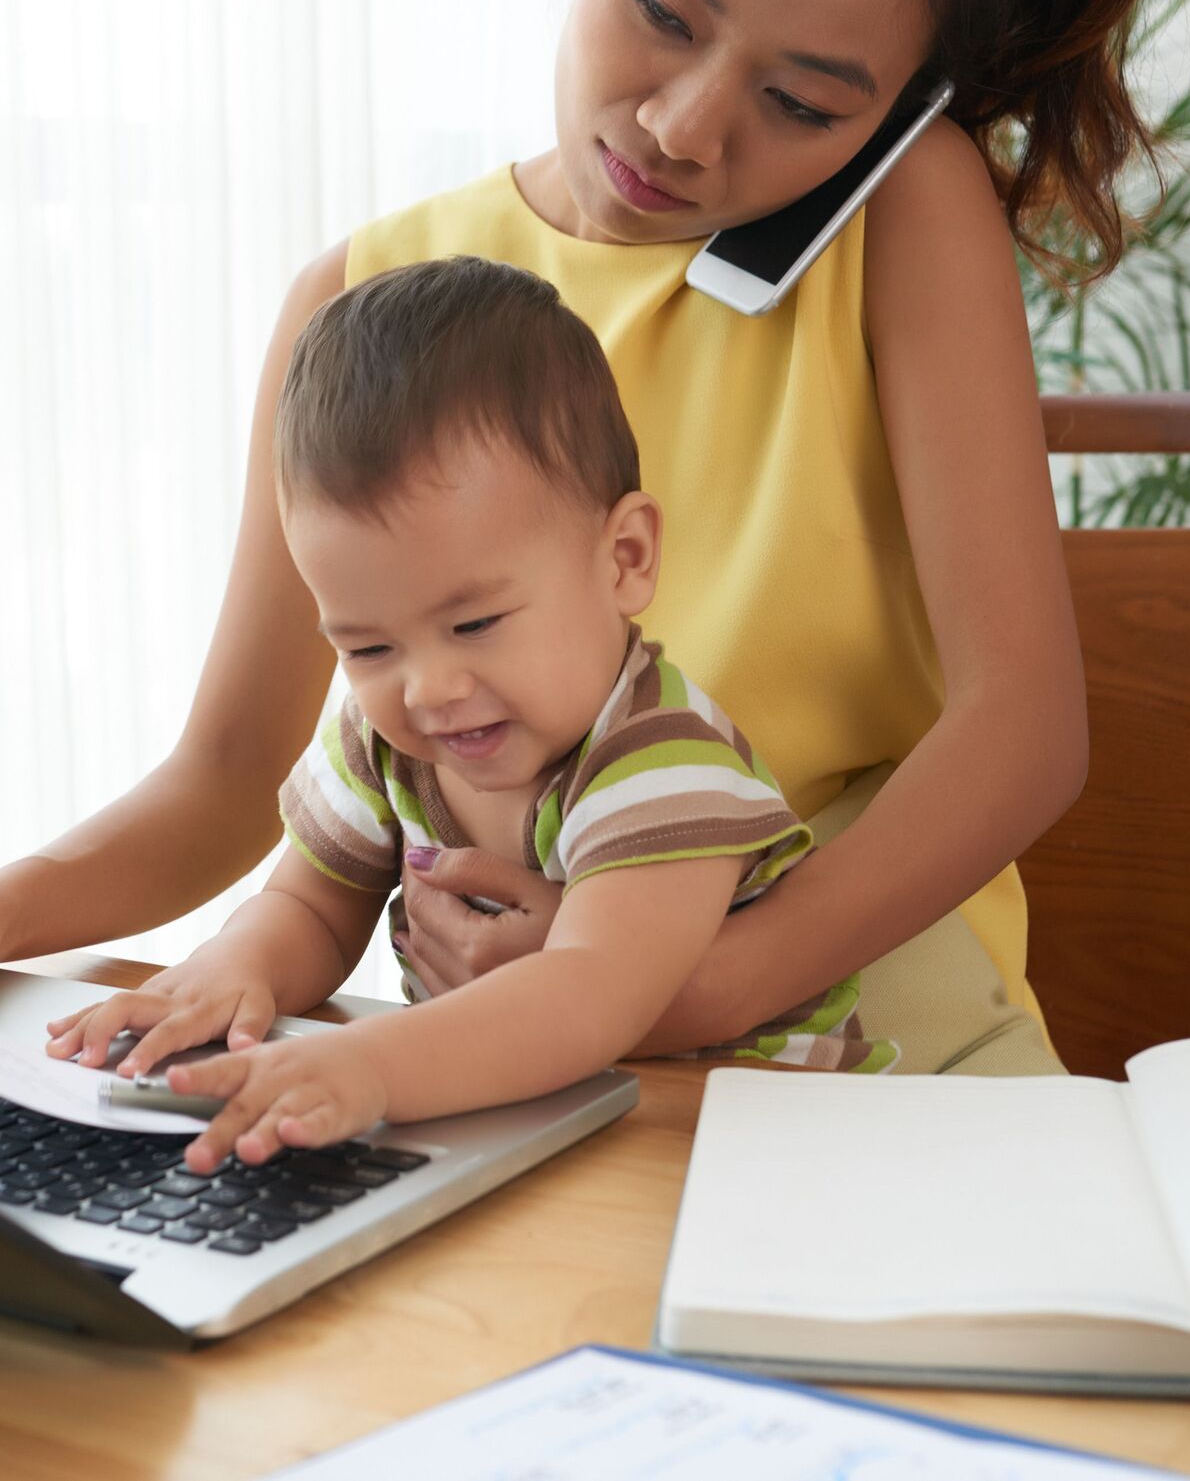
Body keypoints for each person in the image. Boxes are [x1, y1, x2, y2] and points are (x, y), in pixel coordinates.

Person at [0, 0, 1164, 1094]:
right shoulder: (359, 296)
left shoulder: (907, 217)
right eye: (661, 10)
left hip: (870, 1075)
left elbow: (1022, 729)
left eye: (808, 103)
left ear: (894, 108)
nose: (686, 126)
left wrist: (685, 986)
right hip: (519, 1076)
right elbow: (232, 781)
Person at [49, 255, 892, 1169]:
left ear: (626, 558)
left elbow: (586, 995)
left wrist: (368, 1065)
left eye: (475, 622)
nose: (426, 689)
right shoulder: (386, 742)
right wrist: (230, 973)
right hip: (546, 1116)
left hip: (758, 1144)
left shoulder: (662, 762)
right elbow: (312, 908)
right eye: (368, 647)